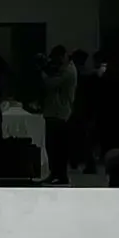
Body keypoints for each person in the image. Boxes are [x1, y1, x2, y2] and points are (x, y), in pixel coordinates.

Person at [40, 44, 78, 183]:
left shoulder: (68, 71)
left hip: (60, 113)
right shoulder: (64, 69)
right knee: (53, 146)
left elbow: (51, 83)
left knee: (58, 147)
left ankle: (60, 174)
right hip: (55, 111)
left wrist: (42, 71)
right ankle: (55, 173)